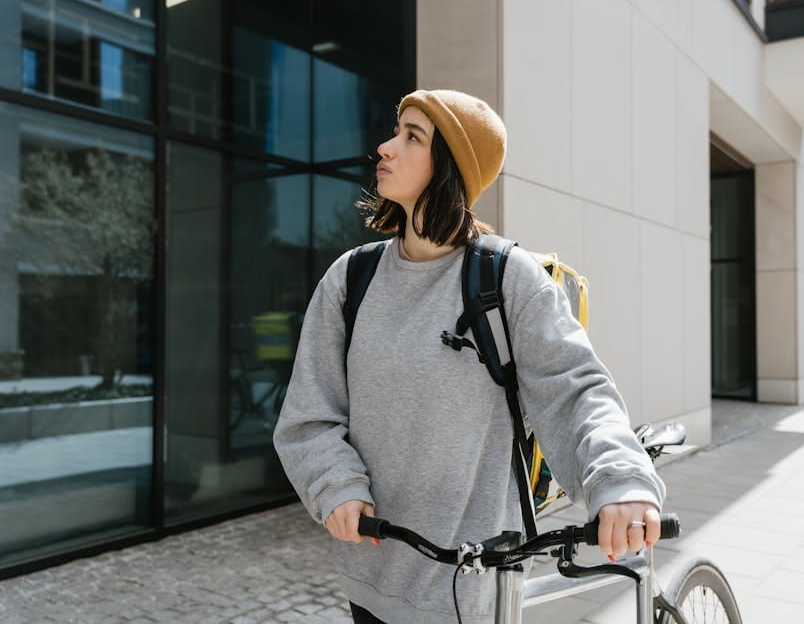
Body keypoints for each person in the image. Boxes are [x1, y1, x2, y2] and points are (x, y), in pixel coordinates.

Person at [273, 89, 666, 624]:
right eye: (396, 131)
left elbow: (574, 391)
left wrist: (619, 480)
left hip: (477, 584)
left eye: (412, 136)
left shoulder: (506, 278)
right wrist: (335, 485)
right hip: (372, 573)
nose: (385, 147)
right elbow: (308, 415)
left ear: (450, 168)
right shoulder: (350, 279)